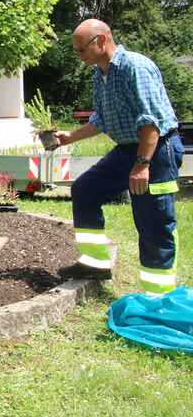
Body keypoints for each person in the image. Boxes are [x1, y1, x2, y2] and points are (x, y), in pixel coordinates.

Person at [56, 19, 183, 295]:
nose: (79, 56)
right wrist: (70, 137)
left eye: (82, 49)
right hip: (126, 150)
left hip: (155, 151)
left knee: (152, 222)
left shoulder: (134, 67)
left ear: (101, 40)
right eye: (76, 51)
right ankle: (96, 262)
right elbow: (101, 118)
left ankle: (158, 295)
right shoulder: (100, 73)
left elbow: (150, 122)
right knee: (85, 189)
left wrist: (142, 165)